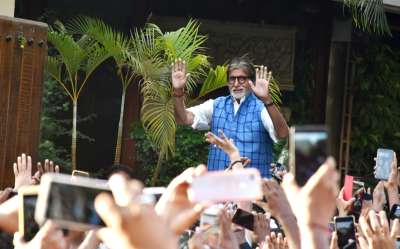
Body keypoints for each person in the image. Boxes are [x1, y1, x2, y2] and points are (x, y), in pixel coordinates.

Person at [172, 56, 289, 177]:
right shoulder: (216, 105)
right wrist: (178, 91)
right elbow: (183, 118)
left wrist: (267, 99)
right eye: (232, 79)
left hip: (254, 190)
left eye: (242, 79)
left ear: (251, 82)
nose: (236, 84)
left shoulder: (262, 109)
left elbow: (283, 133)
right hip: (218, 188)